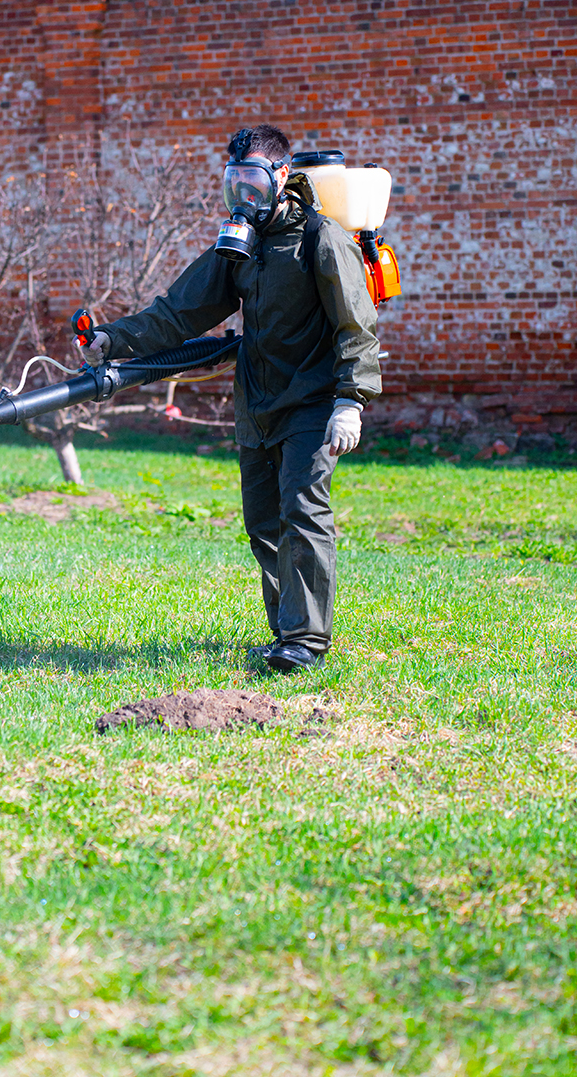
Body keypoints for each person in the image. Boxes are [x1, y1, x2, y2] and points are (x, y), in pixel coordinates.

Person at [84, 124, 381, 674]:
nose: (243, 194)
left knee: (304, 512)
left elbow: (356, 324)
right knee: (263, 524)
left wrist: (352, 399)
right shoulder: (238, 245)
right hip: (257, 400)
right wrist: (113, 338)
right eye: (234, 181)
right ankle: (285, 633)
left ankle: (306, 640)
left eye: (253, 180)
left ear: (282, 176)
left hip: (314, 401)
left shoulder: (320, 238)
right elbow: (179, 313)